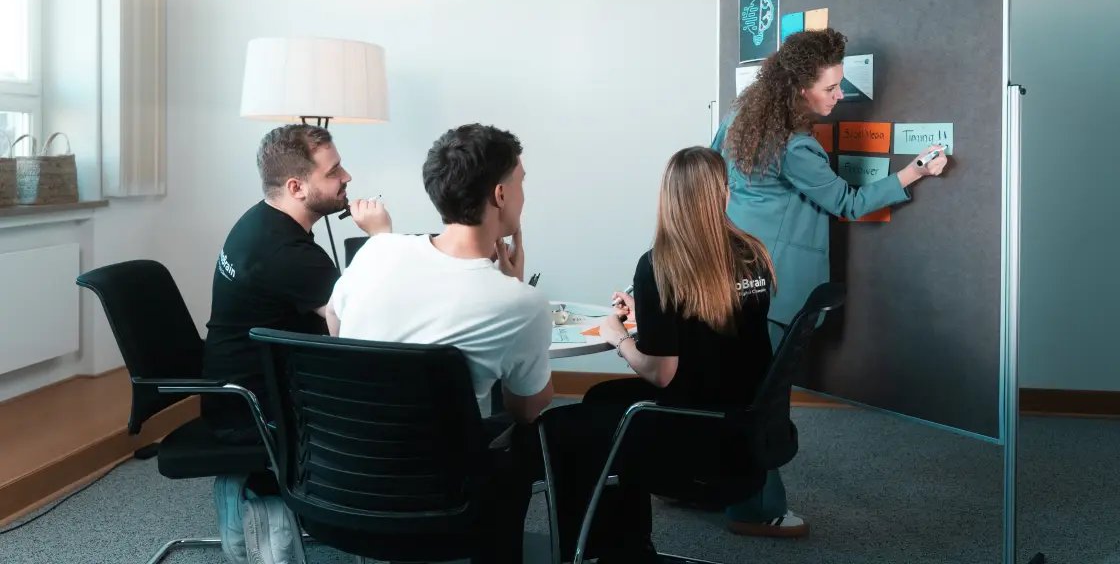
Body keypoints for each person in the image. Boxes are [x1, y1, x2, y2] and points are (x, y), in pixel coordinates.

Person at [710, 27, 949, 537]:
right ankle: (757, 509)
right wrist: (913, 173)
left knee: (731, 389)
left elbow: (711, 179)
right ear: (798, 88)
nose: (841, 96)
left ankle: (708, 487)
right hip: (776, 289)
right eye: (831, 87)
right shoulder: (795, 145)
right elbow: (848, 203)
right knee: (763, 399)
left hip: (731, 272)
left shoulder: (736, 121)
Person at [538, 146, 778, 564]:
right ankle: (630, 545)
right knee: (599, 398)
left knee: (561, 428)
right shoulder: (751, 254)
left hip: (690, 423)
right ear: (721, 193)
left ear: (669, 196)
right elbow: (713, 321)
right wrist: (648, 315)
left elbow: (661, 374)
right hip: (742, 417)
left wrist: (617, 336)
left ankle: (592, 552)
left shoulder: (660, 266)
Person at [326, 123, 553, 564]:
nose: (524, 193)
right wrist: (515, 289)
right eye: (521, 181)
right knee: (534, 439)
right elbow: (526, 409)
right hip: (442, 501)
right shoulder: (520, 303)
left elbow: (336, 325)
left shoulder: (378, 250)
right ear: (500, 195)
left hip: (340, 485)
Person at [202, 124, 392, 564]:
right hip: (256, 409)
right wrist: (382, 241)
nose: (346, 177)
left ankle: (251, 486)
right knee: (397, 392)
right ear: (296, 187)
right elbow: (355, 334)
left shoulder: (260, 221)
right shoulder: (290, 254)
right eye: (334, 171)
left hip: (234, 389)